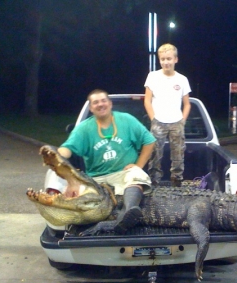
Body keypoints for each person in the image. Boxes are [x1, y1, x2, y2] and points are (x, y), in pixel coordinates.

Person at [58, 89, 156, 233]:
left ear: (110, 104)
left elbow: (149, 141)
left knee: (137, 174)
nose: (100, 104)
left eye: (103, 101)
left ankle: (128, 213)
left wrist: (139, 165)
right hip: (96, 178)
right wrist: (55, 154)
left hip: (123, 173)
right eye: (95, 102)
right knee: (73, 197)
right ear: (91, 108)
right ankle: (76, 229)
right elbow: (67, 148)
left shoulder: (126, 120)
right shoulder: (84, 128)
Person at [144, 43, 191, 187]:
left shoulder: (182, 79)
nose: (166, 62)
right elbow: (147, 100)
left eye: (169, 59)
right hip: (158, 122)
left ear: (176, 59)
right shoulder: (153, 76)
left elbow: (187, 104)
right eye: (163, 59)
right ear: (159, 60)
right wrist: (153, 119)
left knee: (178, 156)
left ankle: (177, 183)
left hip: (176, 123)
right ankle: (154, 183)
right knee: (155, 156)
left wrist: (182, 121)